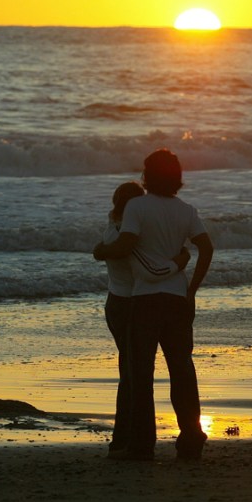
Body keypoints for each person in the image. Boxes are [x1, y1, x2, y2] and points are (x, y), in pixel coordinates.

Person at [94, 148, 214, 461]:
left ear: (147, 175)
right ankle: (190, 437)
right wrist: (192, 289)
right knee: (182, 369)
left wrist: (101, 251)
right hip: (177, 299)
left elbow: (127, 243)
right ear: (177, 178)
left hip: (145, 300)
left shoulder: (137, 206)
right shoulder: (186, 210)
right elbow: (206, 247)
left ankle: (141, 445)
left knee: (140, 373)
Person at [98, 181, 190, 455]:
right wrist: (180, 260)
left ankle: (125, 439)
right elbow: (152, 266)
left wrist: (99, 249)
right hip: (130, 303)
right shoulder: (130, 236)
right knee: (133, 375)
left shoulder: (113, 227)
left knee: (130, 372)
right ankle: (127, 440)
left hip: (117, 300)